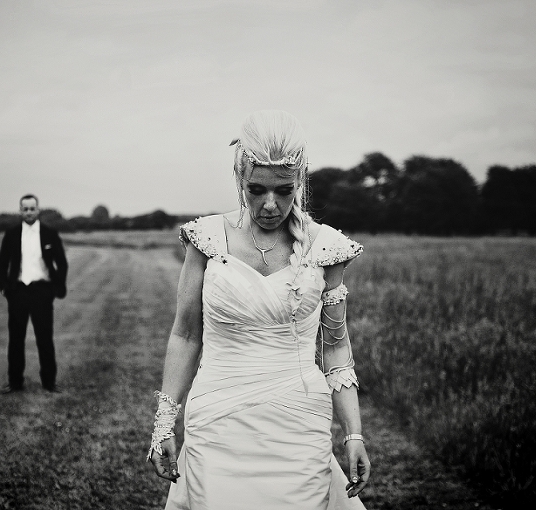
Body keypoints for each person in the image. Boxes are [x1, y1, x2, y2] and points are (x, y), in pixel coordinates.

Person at [148, 110, 370, 509]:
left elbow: (336, 350)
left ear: (300, 181)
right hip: (216, 422)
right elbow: (185, 335)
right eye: (257, 190)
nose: (270, 205)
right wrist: (165, 421)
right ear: (239, 179)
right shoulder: (207, 240)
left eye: (284, 191)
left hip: (298, 427)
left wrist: (353, 433)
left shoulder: (326, 248)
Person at [0, 194, 68, 393]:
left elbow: (61, 263)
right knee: (16, 339)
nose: (28, 212)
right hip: (17, 291)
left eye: (32, 208)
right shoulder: (11, 234)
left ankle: (49, 382)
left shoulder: (49, 233)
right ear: (20, 211)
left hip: (41, 291)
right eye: (25, 209)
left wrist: (55, 288)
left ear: (38, 210)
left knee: (44, 338)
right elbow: (2, 263)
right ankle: (15, 382)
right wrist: (4, 287)